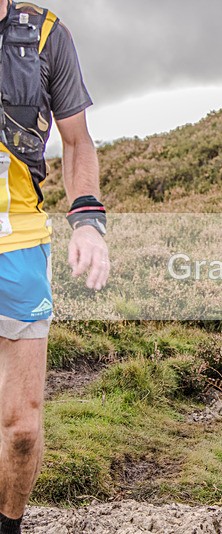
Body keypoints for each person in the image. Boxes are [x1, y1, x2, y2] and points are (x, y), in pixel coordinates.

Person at [0, 2, 109, 533]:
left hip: (20, 243)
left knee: (21, 430)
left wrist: (87, 221)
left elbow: (76, 140)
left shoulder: (46, 34)